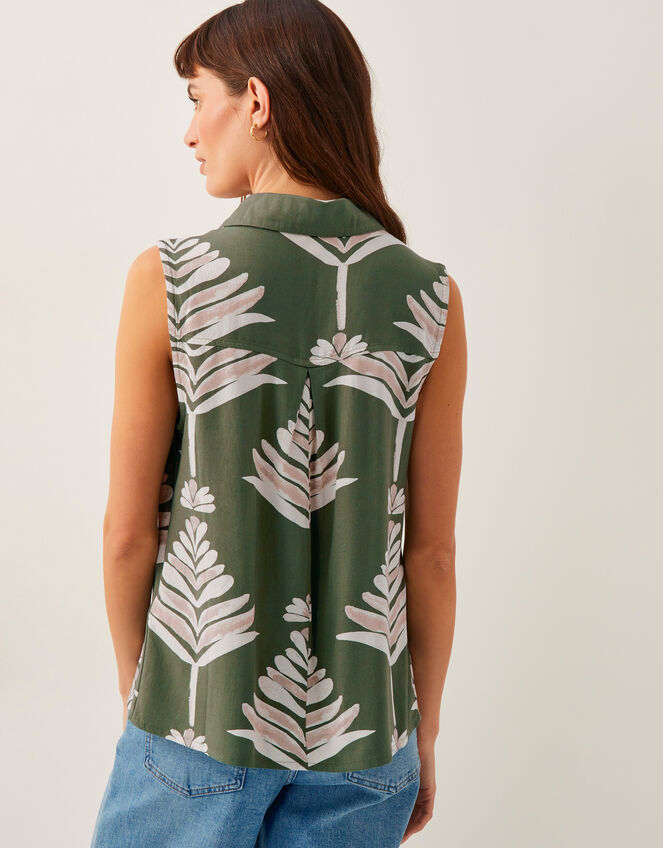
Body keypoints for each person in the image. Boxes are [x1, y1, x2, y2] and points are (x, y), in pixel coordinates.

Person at [91, 1, 466, 846]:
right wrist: (423, 733)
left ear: (254, 102)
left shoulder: (170, 280)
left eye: (198, 99)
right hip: (369, 738)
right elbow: (432, 555)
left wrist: (140, 695)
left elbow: (127, 535)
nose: (190, 133)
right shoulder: (431, 297)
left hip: (196, 719)